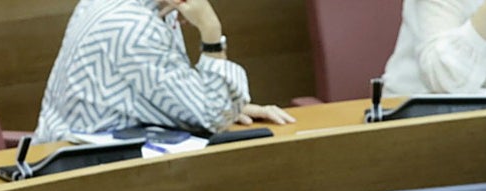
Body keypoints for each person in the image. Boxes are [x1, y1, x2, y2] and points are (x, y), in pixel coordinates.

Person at [34, 0, 295, 142]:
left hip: (86, 155)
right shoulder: (134, 27)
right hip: (78, 172)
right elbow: (212, 116)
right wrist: (211, 32)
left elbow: (171, 94)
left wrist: (229, 106)